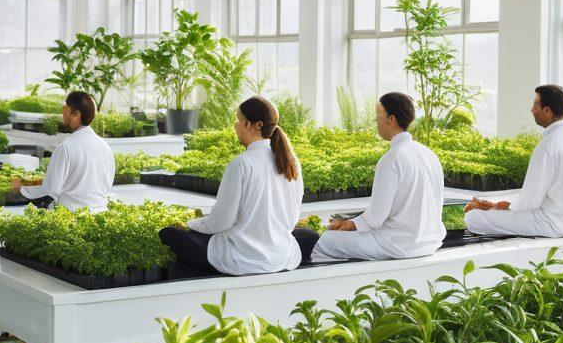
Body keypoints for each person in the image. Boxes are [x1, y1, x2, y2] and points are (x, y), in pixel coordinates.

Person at [160, 96, 315, 276]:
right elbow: (292, 218)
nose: (235, 125)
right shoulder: (291, 162)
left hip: (243, 259)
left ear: (252, 125)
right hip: (283, 257)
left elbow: (220, 222)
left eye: (238, 120)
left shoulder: (242, 163)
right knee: (305, 234)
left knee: (169, 234)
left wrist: (190, 223)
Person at [311, 92, 445, 264]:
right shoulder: (429, 154)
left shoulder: (392, 158)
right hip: (429, 242)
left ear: (391, 119)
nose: (376, 122)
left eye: (378, 116)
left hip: (397, 245)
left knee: (327, 241)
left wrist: (347, 225)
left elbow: (376, 218)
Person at [464, 84, 563, 238]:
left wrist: (495, 206)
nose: (532, 110)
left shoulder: (548, 146)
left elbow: (530, 201)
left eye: (535, 105)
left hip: (554, 224)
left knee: (473, 217)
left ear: (547, 111)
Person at [11, 91, 114, 211]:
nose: (62, 113)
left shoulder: (66, 147)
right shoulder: (105, 148)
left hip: (72, 219)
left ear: (76, 114)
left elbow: (50, 190)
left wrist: (21, 188)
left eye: (65, 108)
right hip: (100, 216)